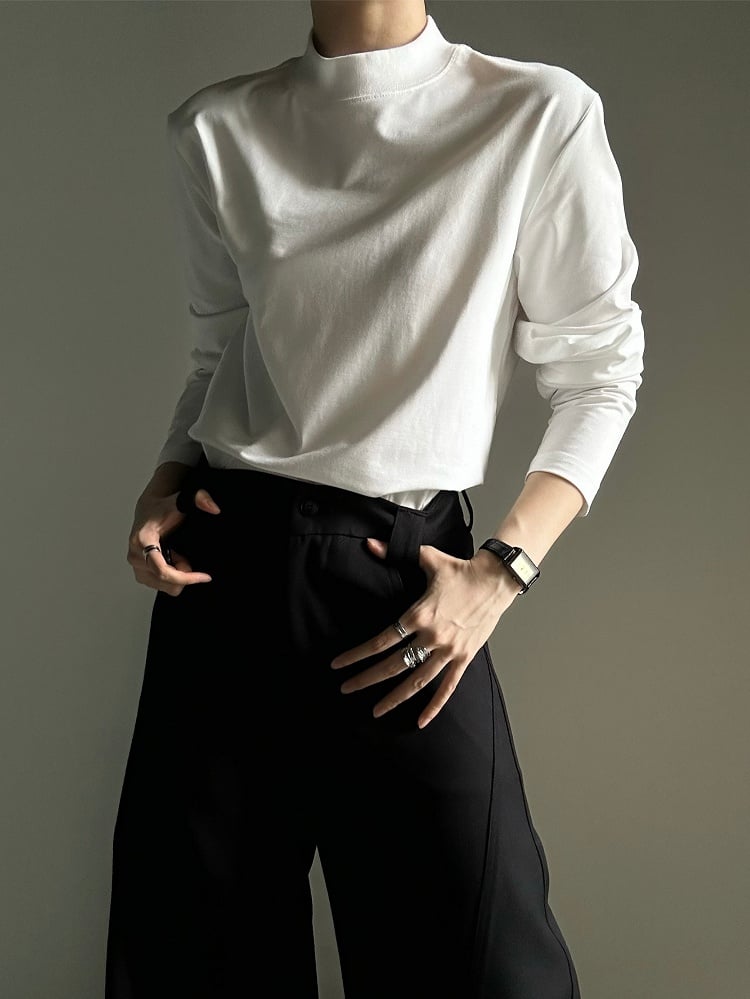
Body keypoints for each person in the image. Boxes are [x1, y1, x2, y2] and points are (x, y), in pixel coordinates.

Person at [105, 2, 645, 997]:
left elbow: (601, 372)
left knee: (484, 968)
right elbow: (219, 352)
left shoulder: (536, 111)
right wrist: (163, 480)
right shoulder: (216, 127)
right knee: (197, 963)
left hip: (401, 580)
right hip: (224, 575)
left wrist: (502, 571)